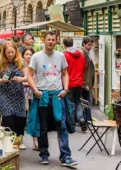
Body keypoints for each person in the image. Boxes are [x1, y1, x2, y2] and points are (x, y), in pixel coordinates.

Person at [27, 30, 77, 167]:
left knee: (61, 126)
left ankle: (66, 156)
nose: (50, 42)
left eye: (53, 40)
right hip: (42, 96)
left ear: (56, 41)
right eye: (48, 39)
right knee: (42, 127)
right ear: (44, 40)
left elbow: (65, 73)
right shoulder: (36, 57)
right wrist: (35, 90)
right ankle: (44, 154)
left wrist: (66, 89)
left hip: (57, 96)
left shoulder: (60, 56)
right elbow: (29, 75)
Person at [0, 42, 28, 150]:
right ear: (4, 53)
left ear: (16, 51)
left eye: (12, 52)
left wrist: (22, 79)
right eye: (8, 53)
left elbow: (27, 76)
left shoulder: (22, 62)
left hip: (18, 95)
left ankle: (18, 140)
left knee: (19, 118)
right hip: (4, 94)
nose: (10, 54)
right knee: (6, 118)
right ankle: (2, 141)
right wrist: (1, 80)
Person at [63, 37, 87, 131]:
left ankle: (72, 123)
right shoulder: (80, 55)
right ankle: (81, 119)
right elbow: (83, 67)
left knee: (70, 103)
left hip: (69, 83)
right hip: (79, 82)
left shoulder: (65, 55)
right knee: (79, 102)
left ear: (64, 45)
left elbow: (63, 70)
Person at [22, 47, 39, 151]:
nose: (28, 56)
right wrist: (30, 82)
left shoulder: (36, 67)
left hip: (34, 94)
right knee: (22, 119)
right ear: (23, 55)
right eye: (26, 54)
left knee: (34, 118)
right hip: (22, 95)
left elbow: (37, 80)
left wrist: (27, 82)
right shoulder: (19, 67)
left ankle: (35, 142)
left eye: (30, 54)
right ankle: (20, 141)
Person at [79, 36, 94, 122]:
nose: (90, 47)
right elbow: (82, 69)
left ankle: (87, 119)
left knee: (87, 101)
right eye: (89, 45)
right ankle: (87, 119)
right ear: (84, 44)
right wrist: (85, 84)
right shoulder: (83, 53)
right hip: (85, 83)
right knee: (87, 101)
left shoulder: (86, 52)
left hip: (87, 82)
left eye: (91, 45)